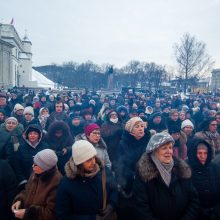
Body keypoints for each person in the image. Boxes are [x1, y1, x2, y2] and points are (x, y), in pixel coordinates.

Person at [133, 132, 199, 220]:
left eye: (170, 147)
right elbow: (141, 208)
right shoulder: (144, 174)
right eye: (164, 148)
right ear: (154, 151)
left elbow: (194, 200)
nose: (169, 151)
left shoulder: (182, 170)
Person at [56, 140, 118, 220]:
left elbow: (114, 189)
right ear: (79, 162)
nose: (93, 162)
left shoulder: (103, 171)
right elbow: (62, 216)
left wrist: (111, 205)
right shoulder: (67, 183)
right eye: (88, 160)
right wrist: (92, 218)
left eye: (93, 157)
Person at [115, 117, 151, 220]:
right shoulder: (123, 144)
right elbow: (120, 165)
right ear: (130, 130)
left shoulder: (149, 141)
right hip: (130, 183)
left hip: (148, 180)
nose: (140, 129)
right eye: (137, 127)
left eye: (142, 126)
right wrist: (133, 175)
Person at [12, 149, 62, 220]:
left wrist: (27, 214)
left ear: (45, 167)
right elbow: (27, 190)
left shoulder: (56, 181)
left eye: (36, 165)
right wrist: (20, 200)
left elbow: (51, 213)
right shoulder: (36, 173)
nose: (32, 166)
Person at [188, 139, 220, 220]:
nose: (203, 157)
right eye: (199, 153)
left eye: (205, 153)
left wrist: (216, 211)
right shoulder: (187, 169)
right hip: (196, 214)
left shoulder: (215, 167)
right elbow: (187, 197)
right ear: (194, 154)